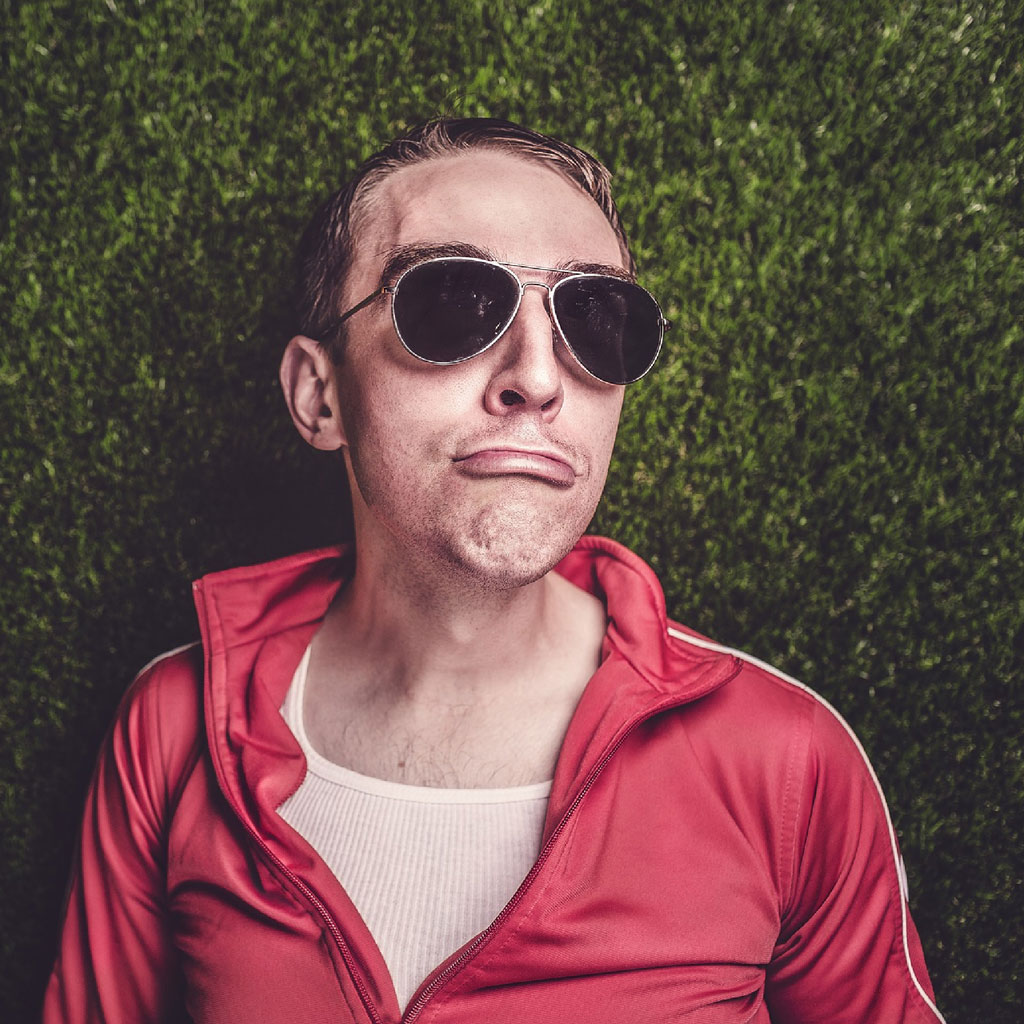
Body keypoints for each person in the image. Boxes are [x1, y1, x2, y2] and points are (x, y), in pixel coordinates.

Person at [44, 118, 945, 1023]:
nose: (538, 378)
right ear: (321, 396)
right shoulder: (172, 727)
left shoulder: (788, 761)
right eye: (451, 304)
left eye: (594, 318)